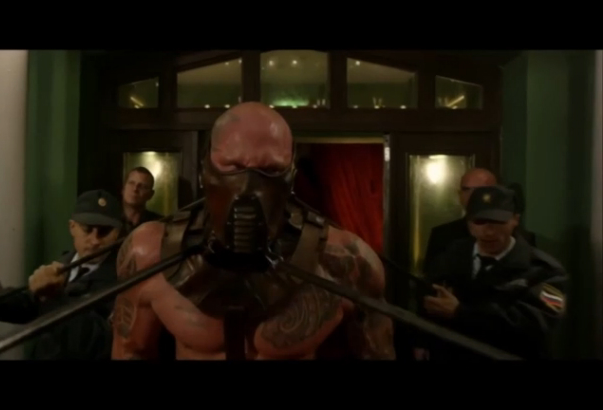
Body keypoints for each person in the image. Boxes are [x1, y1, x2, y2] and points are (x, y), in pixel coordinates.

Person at [110, 102, 395, 360]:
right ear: (205, 169)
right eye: (232, 166)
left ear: (291, 176)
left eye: (270, 169)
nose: (248, 187)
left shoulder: (347, 263)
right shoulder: (148, 253)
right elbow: (131, 351)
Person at [0, 189, 122, 359]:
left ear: (117, 233)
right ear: (72, 227)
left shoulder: (123, 278)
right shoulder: (66, 261)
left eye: (104, 231)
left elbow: (99, 343)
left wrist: (54, 298)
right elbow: (31, 301)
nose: (95, 240)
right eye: (87, 229)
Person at [419, 185, 567, 360]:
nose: (488, 231)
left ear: (515, 220)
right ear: (469, 223)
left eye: (498, 222)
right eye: (480, 221)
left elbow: (534, 325)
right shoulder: (451, 256)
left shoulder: (546, 271)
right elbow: (427, 301)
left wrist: (460, 312)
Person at [423, 168, 536, 275]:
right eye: (467, 189)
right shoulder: (443, 237)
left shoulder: (523, 241)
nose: (473, 195)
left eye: (481, 190)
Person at [119, 166, 163, 239]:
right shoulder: (109, 220)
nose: (135, 189)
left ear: (150, 194)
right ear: (123, 188)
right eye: (131, 183)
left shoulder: (157, 223)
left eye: (142, 186)